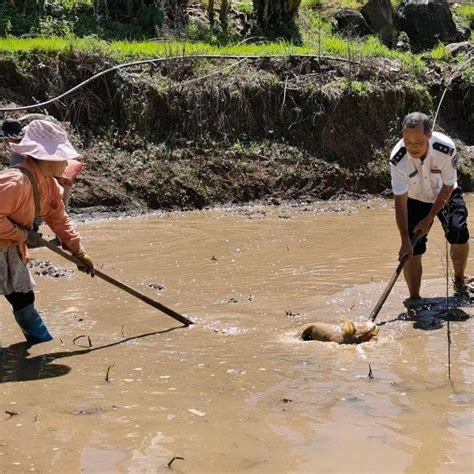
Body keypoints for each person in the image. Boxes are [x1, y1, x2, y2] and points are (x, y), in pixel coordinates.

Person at [0, 119, 94, 345]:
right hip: (9, 241)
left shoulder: (49, 184)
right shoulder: (15, 181)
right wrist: (23, 235)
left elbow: (58, 218)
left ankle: (41, 345)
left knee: (23, 298)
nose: (65, 162)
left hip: (9, 247)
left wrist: (78, 252)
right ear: (44, 157)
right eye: (61, 157)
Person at [390, 112, 472, 303]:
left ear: (429, 135)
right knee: (412, 248)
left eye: (418, 141)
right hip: (415, 198)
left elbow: (448, 186)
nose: (412, 147)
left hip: (445, 192)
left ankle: (459, 280)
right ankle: (415, 298)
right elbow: (400, 202)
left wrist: (428, 219)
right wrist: (405, 239)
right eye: (407, 141)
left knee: (458, 232)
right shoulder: (397, 158)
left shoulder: (446, 148)